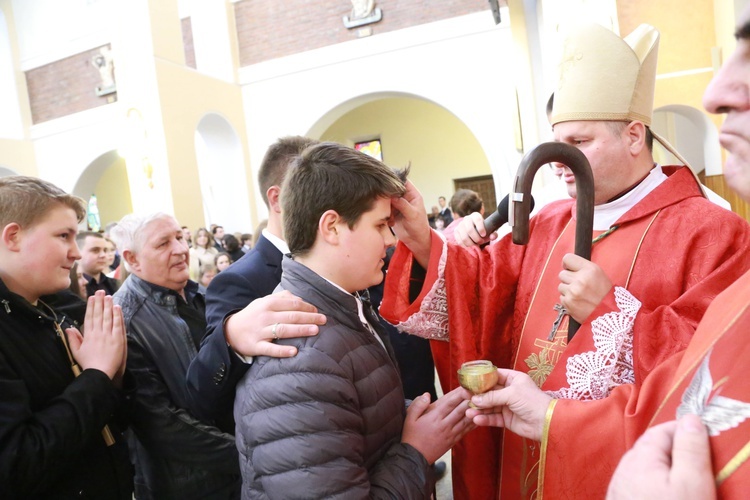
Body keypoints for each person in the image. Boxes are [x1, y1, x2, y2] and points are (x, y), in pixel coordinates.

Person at [380, 22, 750, 499]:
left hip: (607, 466)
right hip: (519, 439)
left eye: (580, 142)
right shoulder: (552, 219)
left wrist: (612, 311)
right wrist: (425, 240)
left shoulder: (712, 230)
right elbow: (485, 292)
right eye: (557, 141)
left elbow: (714, 365)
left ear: (634, 135)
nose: (559, 160)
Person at [234, 141, 473, 498]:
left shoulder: (344, 307)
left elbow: (354, 423)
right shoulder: (299, 362)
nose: (391, 240)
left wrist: (418, 417)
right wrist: (416, 451)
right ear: (331, 227)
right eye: (379, 225)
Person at [0, 176, 132, 498]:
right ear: (14, 237)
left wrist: (115, 374)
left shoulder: (58, 308)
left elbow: (111, 422)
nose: (76, 253)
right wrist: (97, 375)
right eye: (63, 236)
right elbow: (15, 466)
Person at [185, 135, 326, 425]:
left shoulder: (333, 259)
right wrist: (231, 339)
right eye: (316, 190)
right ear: (277, 199)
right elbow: (203, 395)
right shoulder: (239, 280)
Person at [111, 213, 240, 499]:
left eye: (180, 238)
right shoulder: (124, 320)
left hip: (239, 473)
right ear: (132, 260)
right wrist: (244, 454)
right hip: (188, 485)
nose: (181, 249)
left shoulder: (200, 294)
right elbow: (160, 423)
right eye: (163, 243)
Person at [76, 230, 120, 297]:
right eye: (95, 250)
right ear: (78, 252)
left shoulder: (116, 284)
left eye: (105, 250)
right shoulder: (73, 287)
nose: (103, 255)